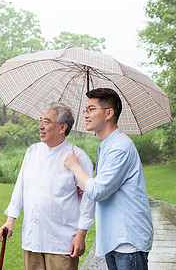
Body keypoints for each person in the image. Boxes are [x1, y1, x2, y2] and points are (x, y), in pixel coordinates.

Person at [64, 88, 153, 270]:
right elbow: (102, 187)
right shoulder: (107, 145)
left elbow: (98, 191)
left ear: (109, 113)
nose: (86, 115)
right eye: (85, 110)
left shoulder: (120, 147)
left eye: (91, 109)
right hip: (115, 238)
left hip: (128, 240)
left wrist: (75, 166)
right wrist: (87, 187)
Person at [0, 101, 95, 270]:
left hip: (62, 242)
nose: (40, 126)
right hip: (32, 240)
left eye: (47, 122)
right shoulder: (32, 152)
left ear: (62, 127)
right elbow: (20, 187)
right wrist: (10, 220)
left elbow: (89, 199)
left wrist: (81, 235)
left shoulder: (79, 158)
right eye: (40, 120)